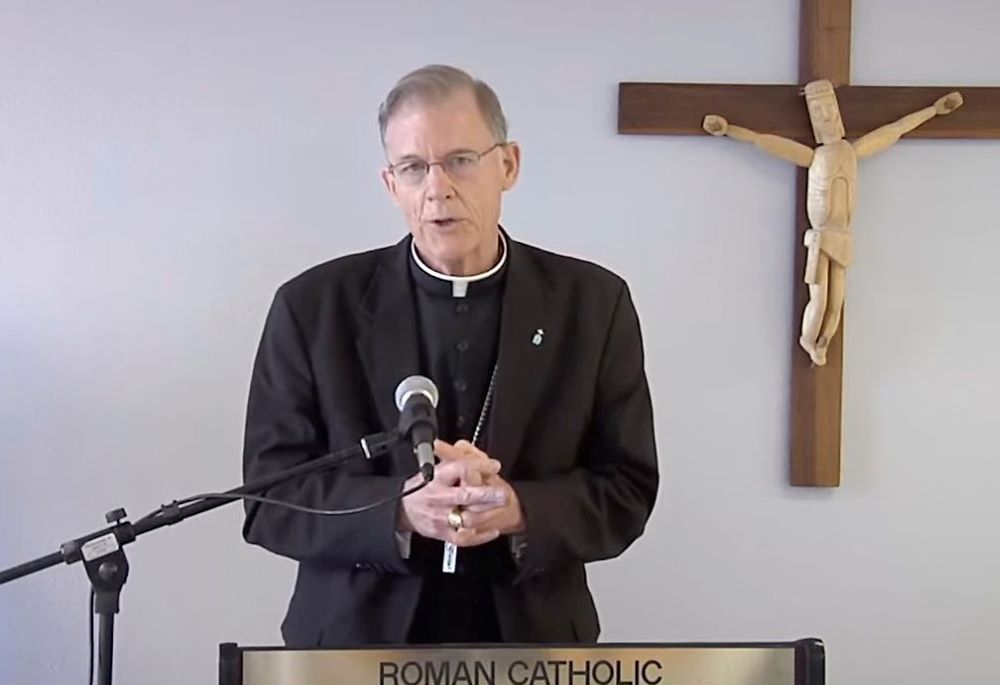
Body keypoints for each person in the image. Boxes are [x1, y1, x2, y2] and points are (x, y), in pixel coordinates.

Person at [241, 64, 658, 647]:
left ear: (507, 165)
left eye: (461, 160)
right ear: (392, 185)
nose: (438, 188)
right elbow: (269, 499)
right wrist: (400, 511)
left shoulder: (592, 304)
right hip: (353, 644)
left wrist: (519, 509)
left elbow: (628, 491)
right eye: (414, 168)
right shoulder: (313, 308)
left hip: (530, 641)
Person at [703, 80, 963, 366]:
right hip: (821, 236)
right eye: (819, 113)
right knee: (821, 298)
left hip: (843, 235)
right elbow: (762, 141)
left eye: (831, 111)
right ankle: (808, 341)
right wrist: (727, 130)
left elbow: (896, 129)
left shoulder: (853, 150)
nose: (827, 117)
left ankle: (822, 343)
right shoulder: (813, 156)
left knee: (837, 300)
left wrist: (934, 110)